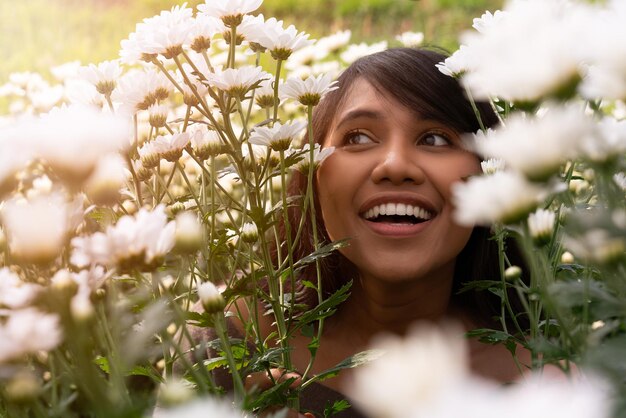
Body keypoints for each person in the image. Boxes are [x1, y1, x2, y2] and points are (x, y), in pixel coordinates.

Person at [185, 47, 529, 417]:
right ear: (312, 171)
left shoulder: (546, 379)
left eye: (435, 139)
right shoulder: (224, 335)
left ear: (489, 172)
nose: (395, 165)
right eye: (359, 137)